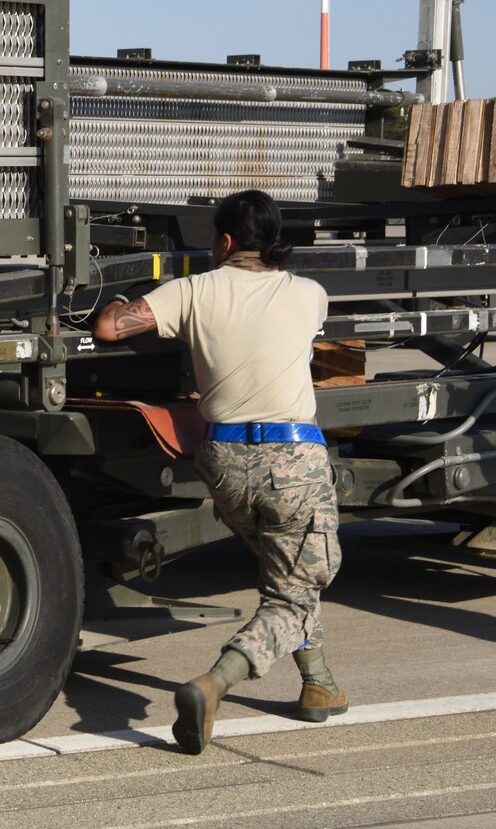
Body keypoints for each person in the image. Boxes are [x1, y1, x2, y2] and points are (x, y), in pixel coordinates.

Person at [92, 188, 347, 754]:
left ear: (225, 241)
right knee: (294, 587)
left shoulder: (190, 291)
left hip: (225, 462)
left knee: (289, 576)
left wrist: (117, 301)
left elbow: (110, 329)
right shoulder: (310, 294)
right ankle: (215, 683)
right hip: (293, 460)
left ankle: (319, 684)